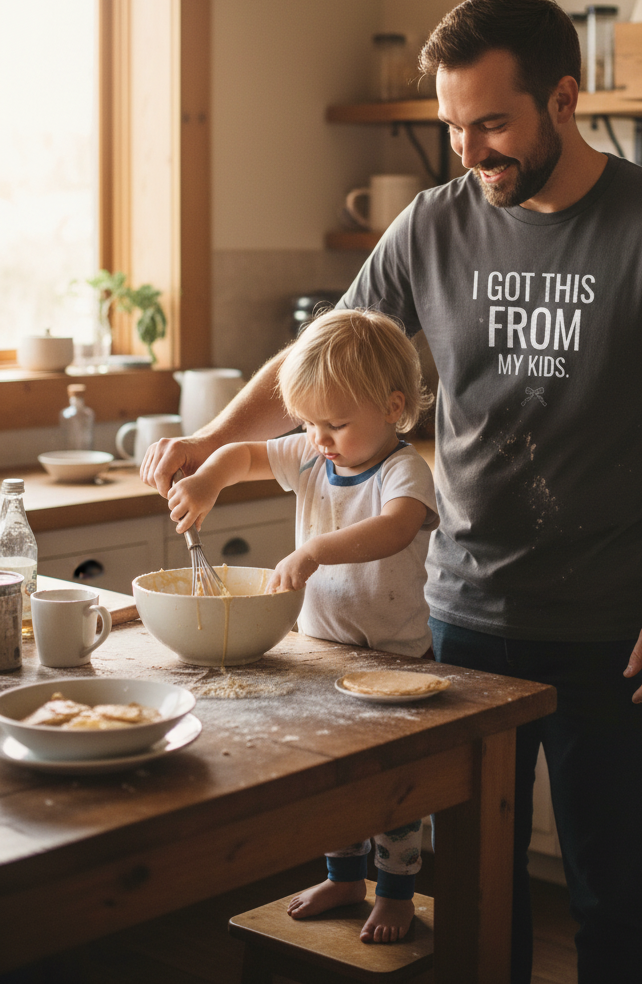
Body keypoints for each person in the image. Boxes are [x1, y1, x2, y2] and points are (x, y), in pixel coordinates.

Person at [142, 0, 642, 983]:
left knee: (610, 885)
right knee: (478, 881)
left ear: (564, 99)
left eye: (492, 125)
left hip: (612, 625)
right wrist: (212, 440)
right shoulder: (432, 224)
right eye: (453, 127)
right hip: (464, 619)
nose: (470, 152)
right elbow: (318, 359)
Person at [164, 308, 439, 945]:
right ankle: (344, 878)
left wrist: (315, 550)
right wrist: (205, 482)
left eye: (334, 424)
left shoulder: (403, 470)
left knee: (394, 787)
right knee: (335, 780)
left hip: (396, 662)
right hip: (323, 653)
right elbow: (242, 456)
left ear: (393, 407)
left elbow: (396, 527)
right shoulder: (314, 455)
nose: (318, 438)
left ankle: (396, 892)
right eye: (308, 423)